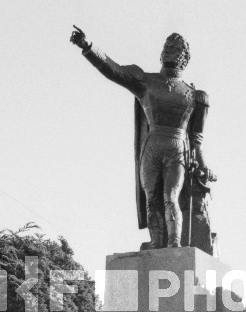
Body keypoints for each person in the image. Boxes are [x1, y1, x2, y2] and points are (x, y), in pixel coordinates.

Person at [70, 27, 216, 248]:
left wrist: (203, 165)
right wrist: (89, 48)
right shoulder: (144, 80)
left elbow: (196, 139)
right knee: (153, 201)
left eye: (175, 48)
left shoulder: (194, 95)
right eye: (166, 47)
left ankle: (174, 246)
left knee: (171, 197)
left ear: (184, 57)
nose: (169, 51)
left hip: (176, 147)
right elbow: (114, 70)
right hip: (151, 146)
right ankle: (156, 245)